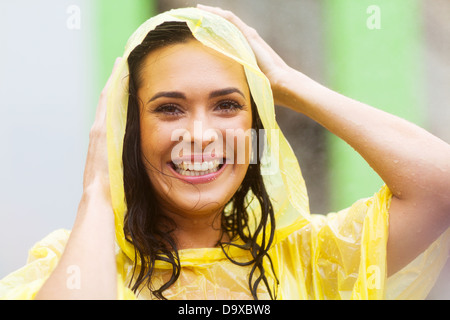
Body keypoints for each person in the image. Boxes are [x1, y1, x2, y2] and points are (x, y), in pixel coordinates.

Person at [1, 6, 449, 300]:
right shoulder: (74, 261)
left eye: (227, 105)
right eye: (169, 109)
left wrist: (288, 82)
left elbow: (440, 185)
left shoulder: (310, 259)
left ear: (255, 128)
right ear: (130, 130)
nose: (199, 134)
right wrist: (99, 189)